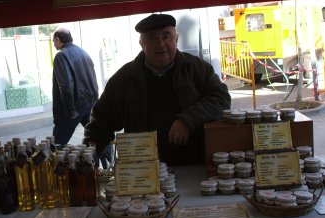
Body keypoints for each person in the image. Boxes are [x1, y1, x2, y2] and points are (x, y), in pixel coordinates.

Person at [84, 14, 231, 165]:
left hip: (193, 163)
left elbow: (221, 98)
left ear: (176, 39)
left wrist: (187, 120)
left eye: (166, 36)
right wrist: (89, 151)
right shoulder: (124, 78)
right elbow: (101, 120)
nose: (161, 44)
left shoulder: (197, 68)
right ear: (142, 44)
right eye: (152, 38)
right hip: (143, 171)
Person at [52, 28, 100, 148]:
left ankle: (54, 165)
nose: (54, 45)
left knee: (57, 143)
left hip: (73, 106)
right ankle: (108, 162)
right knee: (97, 136)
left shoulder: (61, 55)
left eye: (54, 41)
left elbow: (66, 86)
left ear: (58, 39)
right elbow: (93, 78)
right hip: (90, 103)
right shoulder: (83, 53)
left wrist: (69, 111)